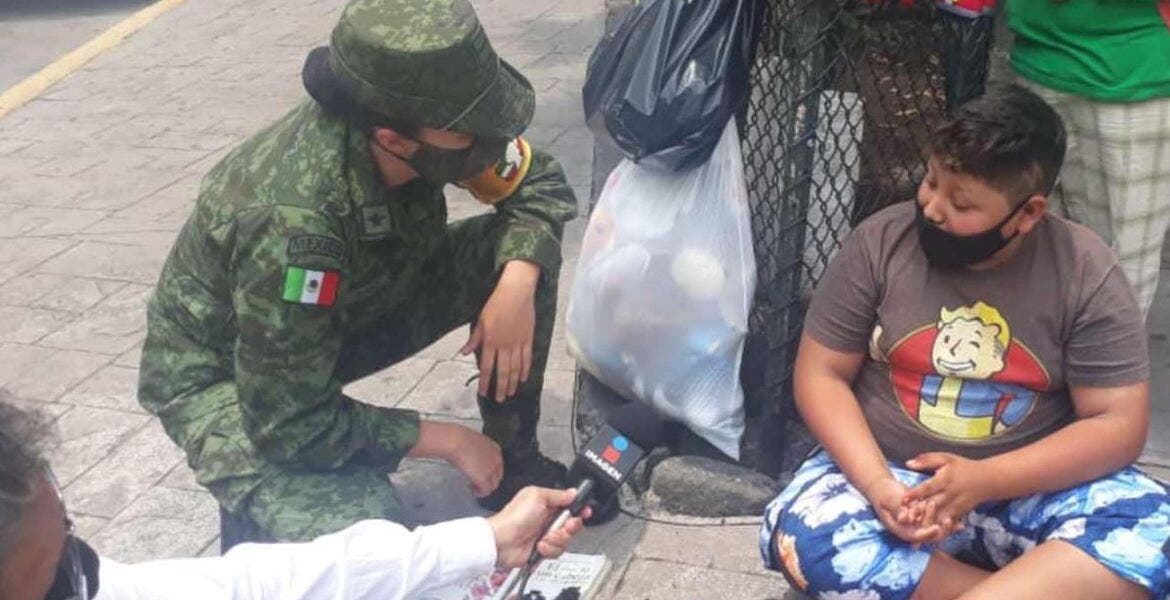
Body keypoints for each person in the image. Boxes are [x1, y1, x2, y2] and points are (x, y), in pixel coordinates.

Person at [137, 0, 577, 547]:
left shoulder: (422, 124)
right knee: (366, 531)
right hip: (231, 376)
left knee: (515, 255)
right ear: (394, 140)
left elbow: (541, 185)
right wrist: (443, 438)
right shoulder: (296, 224)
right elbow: (288, 421)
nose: (491, 143)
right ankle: (255, 520)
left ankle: (513, 462)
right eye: (472, 132)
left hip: (335, 317)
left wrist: (516, 284)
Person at [758, 85, 1170, 599]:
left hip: (1030, 488)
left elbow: (1117, 424)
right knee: (807, 537)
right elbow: (821, 374)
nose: (932, 208)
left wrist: (987, 479)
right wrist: (878, 485)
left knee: (1156, 532)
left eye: (961, 203)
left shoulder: (1084, 269)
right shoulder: (880, 243)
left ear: (1028, 213)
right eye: (931, 182)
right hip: (891, 476)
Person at [0, 402, 590, 600]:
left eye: (70, 538)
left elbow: (253, 586)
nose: (80, 576)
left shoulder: (87, 583)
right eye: (53, 581)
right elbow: (291, 414)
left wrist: (486, 541)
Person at [1007, 0, 1170, 317]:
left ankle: (1108, 351)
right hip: (1038, 53)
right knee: (1035, 249)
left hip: (1132, 68)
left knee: (1120, 274)